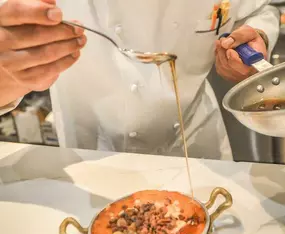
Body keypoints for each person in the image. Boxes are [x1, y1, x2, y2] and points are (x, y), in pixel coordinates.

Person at [0, 0, 280, 160]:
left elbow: (259, 9)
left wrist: (258, 35)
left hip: (196, 145)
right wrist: (7, 76)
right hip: (89, 151)